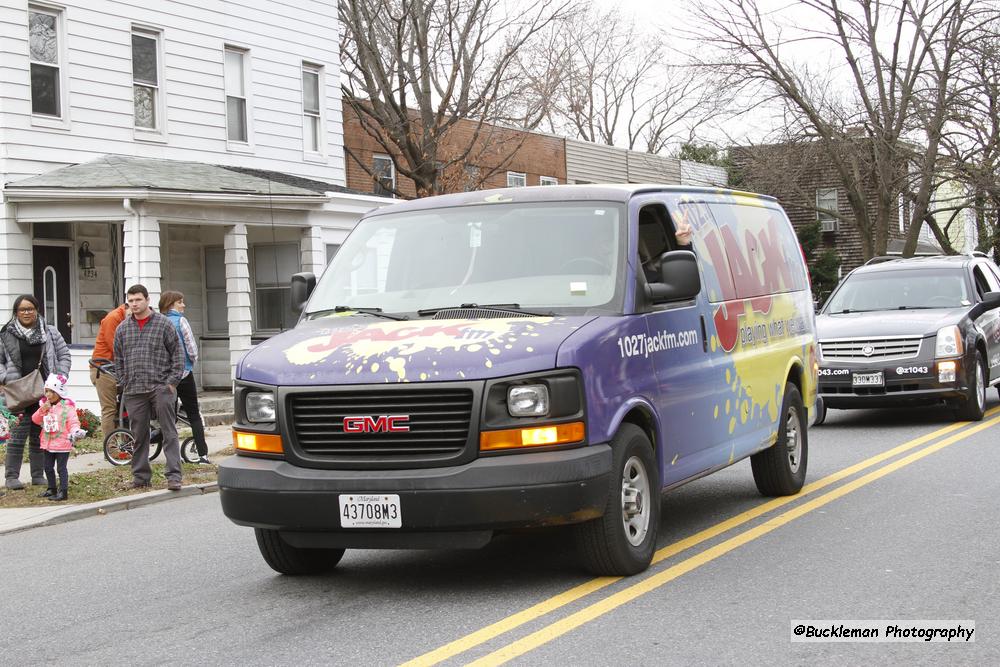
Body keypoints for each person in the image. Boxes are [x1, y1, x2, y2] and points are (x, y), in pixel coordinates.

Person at [113, 285, 185, 491]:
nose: (134, 304)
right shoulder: (123, 329)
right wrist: (124, 381)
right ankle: (141, 477)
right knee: (139, 434)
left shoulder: (164, 325)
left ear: (147, 300)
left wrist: (171, 383)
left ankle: (174, 476)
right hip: (134, 389)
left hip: (160, 386)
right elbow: (118, 359)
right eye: (131, 301)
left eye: (138, 300)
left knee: (169, 432)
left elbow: (178, 356)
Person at [0, 295, 71, 490]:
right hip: (18, 392)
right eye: (22, 309)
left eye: (30, 308)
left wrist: (60, 377)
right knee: (17, 436)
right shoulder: (6, 334)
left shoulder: (50, 332)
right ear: (16, 312)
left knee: (41, 435)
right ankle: (12, 477)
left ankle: (38, 475)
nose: (26, 312)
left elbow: (64, 354)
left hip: (45, 393)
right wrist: (5, 378)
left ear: (37, 310)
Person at [158, 290, 210, 464]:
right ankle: (202, 454)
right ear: (171, 303)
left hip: (165, 376)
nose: (183, 305)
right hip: (184, 374)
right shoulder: (181, 321)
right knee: (193, 414)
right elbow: (191, 347)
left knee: (168, 416)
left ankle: (169, 455)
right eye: (180, 302)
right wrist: (191, 362)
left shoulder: (158, 322)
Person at [32, 373, 86, 502]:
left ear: (59, 392)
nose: (49, 394)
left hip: (62, 444)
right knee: (48, 467)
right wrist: (42, 410)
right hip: (48, 443)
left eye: (52, 391)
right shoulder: (45, 405)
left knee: (61, 468)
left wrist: (76, 431)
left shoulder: (67, 407)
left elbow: (73, 422)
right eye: (47, 391)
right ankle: (51, 488)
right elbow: (35, 419)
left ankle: (63, 491)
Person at [90, 302, 128, 439]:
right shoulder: (113, 318)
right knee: (110, 409)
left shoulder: (130, 319)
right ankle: (111, 449)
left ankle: (127, 445)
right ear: (128, 306)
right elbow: (116, 347)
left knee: (125, 407)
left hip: (118, 369)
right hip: (103, 368)